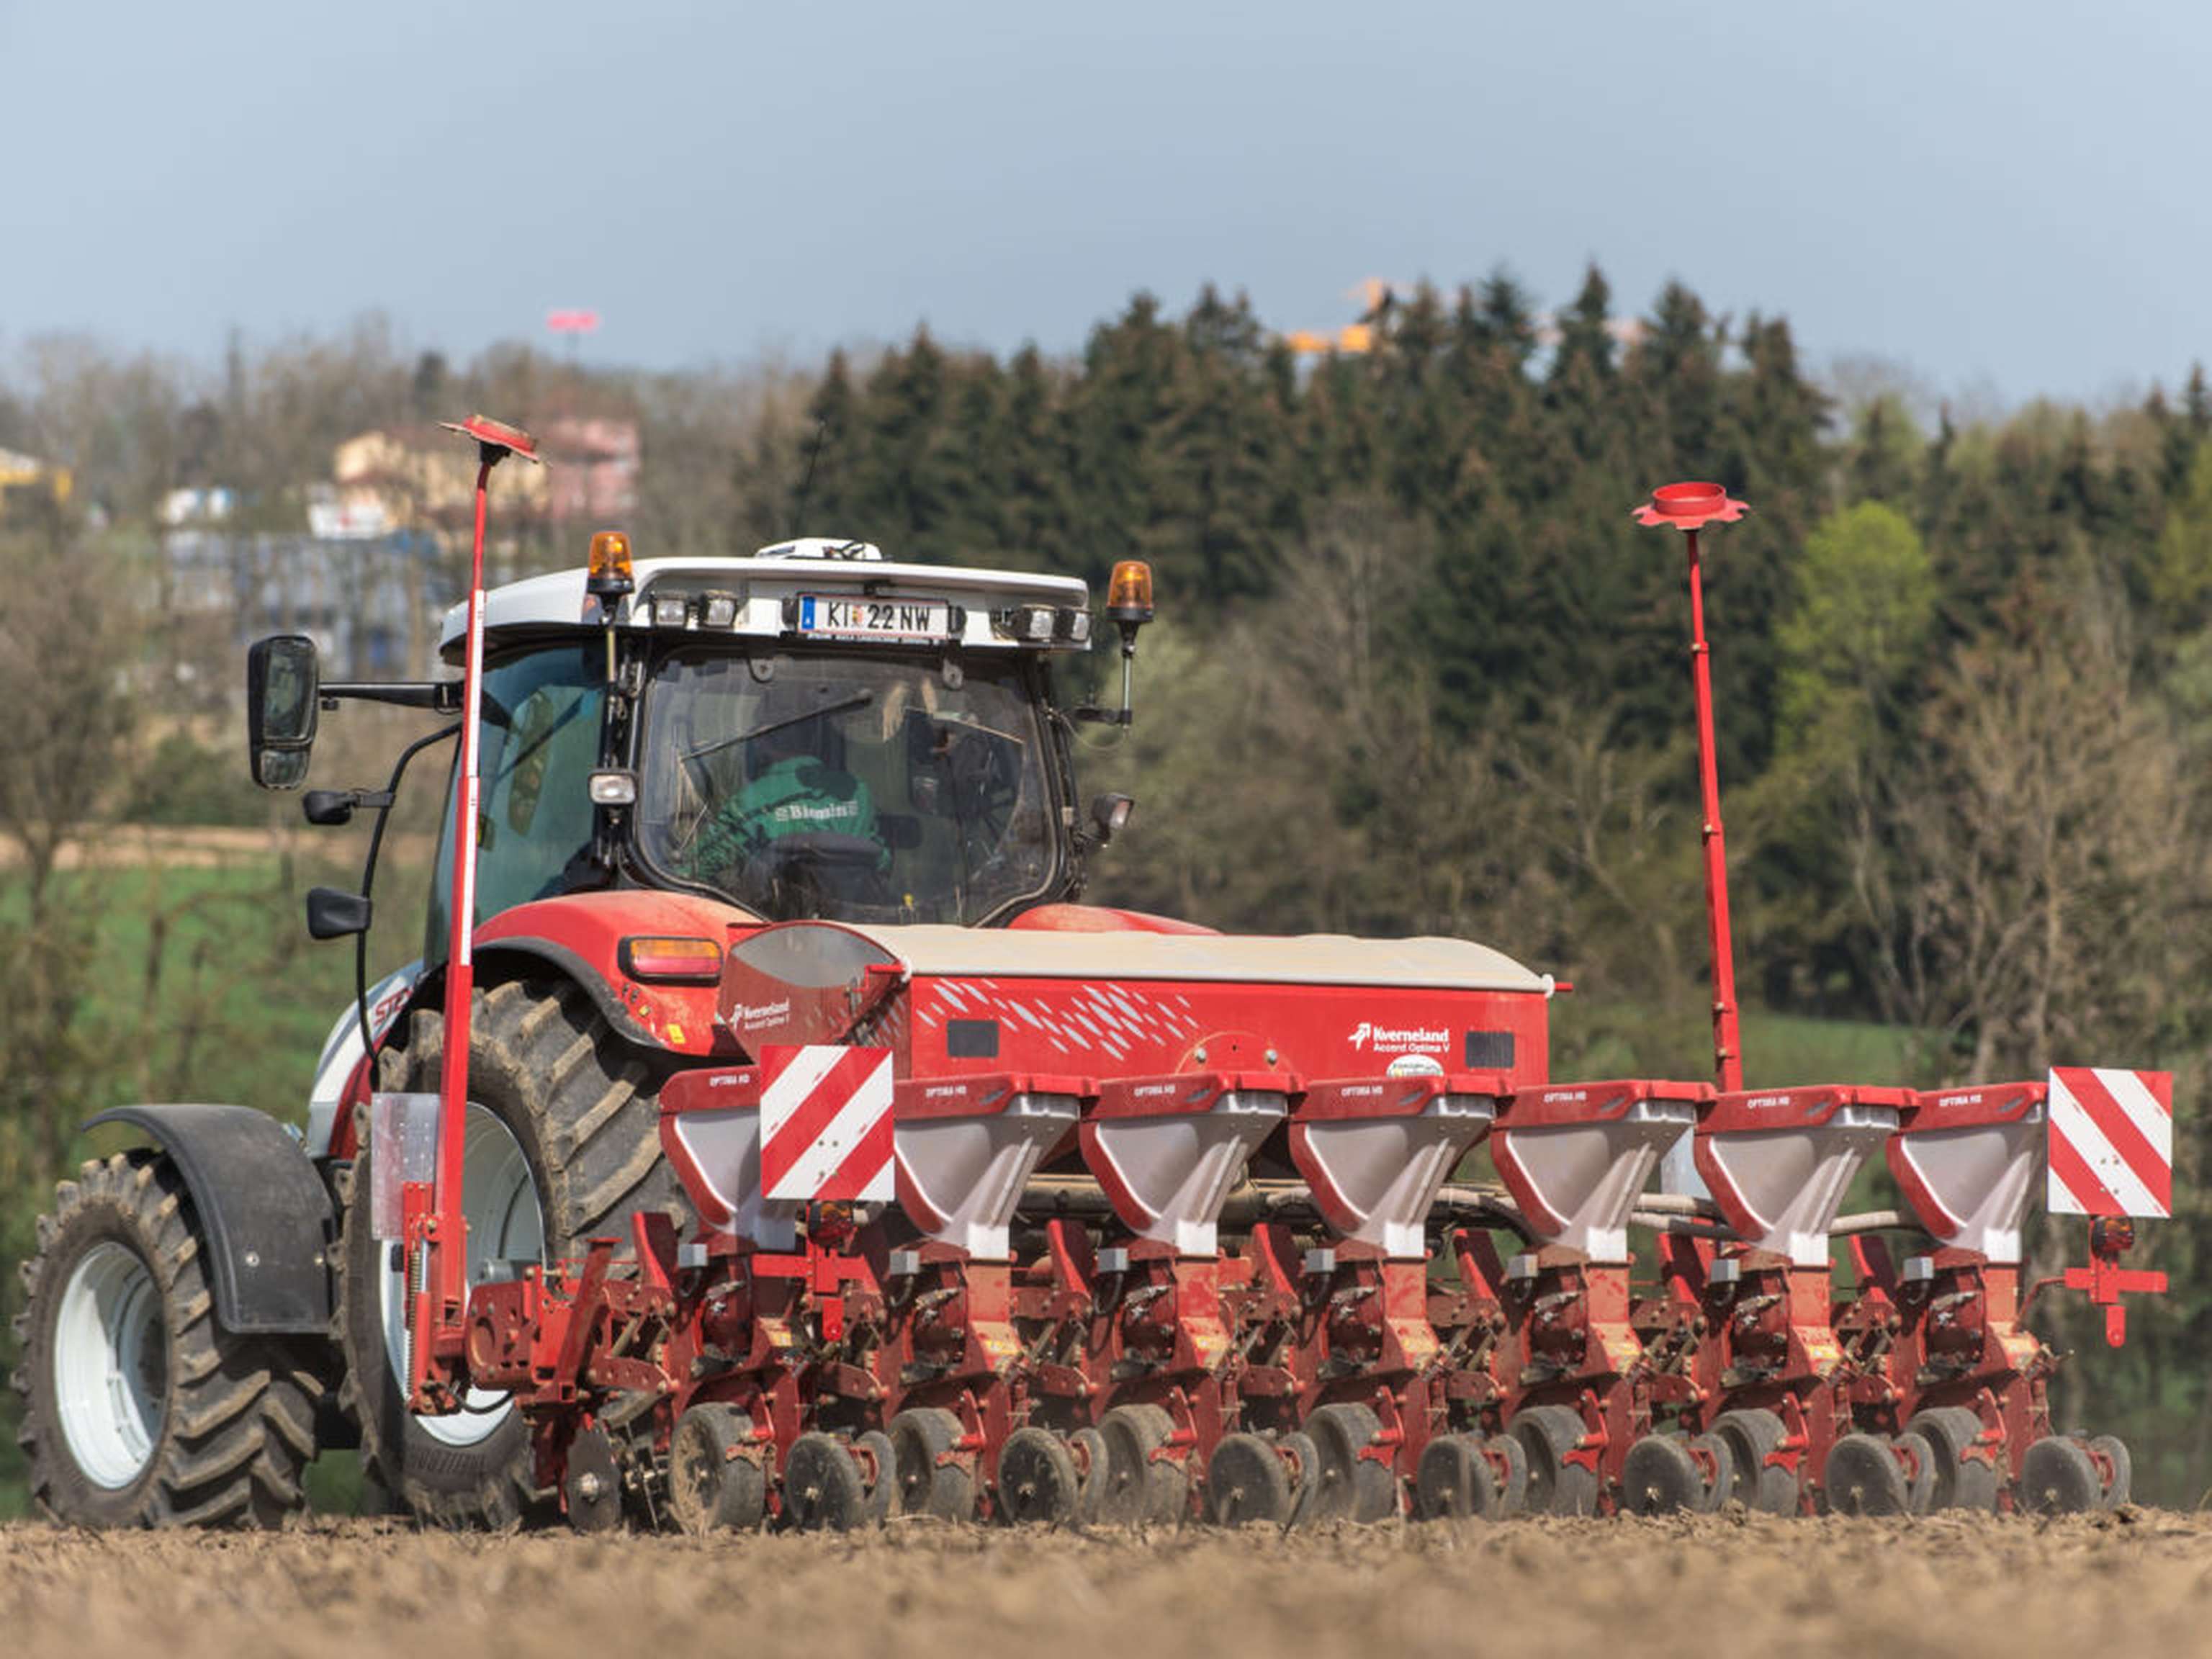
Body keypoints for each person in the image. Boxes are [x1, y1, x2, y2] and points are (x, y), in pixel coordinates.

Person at [688, 708, 885, 888]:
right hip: (854, 918)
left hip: (774, 918)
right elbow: (882, 859)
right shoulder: (859, 792)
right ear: (813, 739)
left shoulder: (752, 801)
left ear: (762, 742)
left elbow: (697, 868)